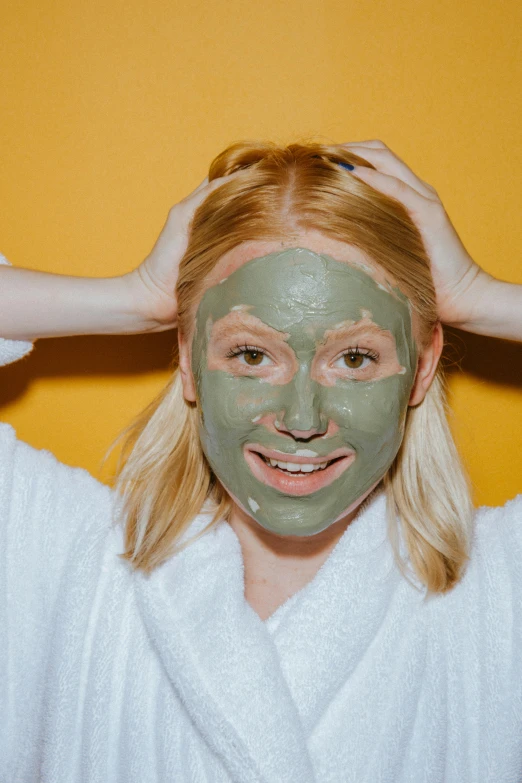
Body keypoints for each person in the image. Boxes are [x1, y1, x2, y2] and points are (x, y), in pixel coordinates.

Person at [1, 139, 521, 783]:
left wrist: (478, 295)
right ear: (190, 360)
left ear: (420, 371)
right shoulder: (56, 555)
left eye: (355, 358)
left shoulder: (501, 590)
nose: (301, 420)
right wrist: (136, 297)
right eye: (251, 355)